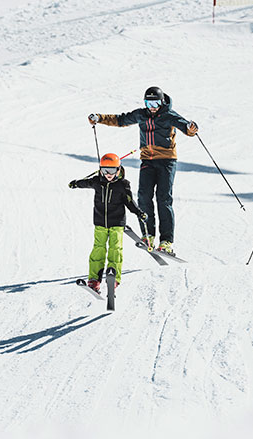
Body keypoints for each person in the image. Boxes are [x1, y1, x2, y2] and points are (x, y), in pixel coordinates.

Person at [88, 86, 198, 256]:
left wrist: (191, 129)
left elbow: (186, 128)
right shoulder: (141, 114)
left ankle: (166, 241)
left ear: (162, 102)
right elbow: (121, 120)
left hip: (166, 161)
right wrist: (100, 118)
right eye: (148, 102)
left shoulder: (169, 115)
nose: (152, 106)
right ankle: (148, 234)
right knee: (143, 196)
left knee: (164, 199)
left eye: (155, 102)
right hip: (147, 160)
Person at [69, 153, 147, 292]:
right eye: (105, 171)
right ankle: (94, 279)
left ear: (118, 170)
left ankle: (114, 278)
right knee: (98, 249)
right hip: (100, 222)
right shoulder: (97, 181)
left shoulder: (123, 185)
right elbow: (85, 183)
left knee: (115, 249)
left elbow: (130, 202)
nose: (108, 174)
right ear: (100, 170)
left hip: (117, 223)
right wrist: (76, 184)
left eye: (111, 171)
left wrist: (139, 212)